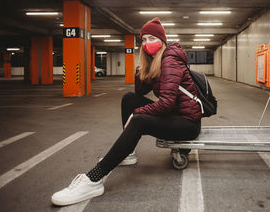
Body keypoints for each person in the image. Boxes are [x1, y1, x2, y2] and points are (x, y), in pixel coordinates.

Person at [51, 17, 202, 206]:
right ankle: (127, 153)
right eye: (144, 40)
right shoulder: (157, 61)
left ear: (163, 41)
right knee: (129, 98)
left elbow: (166, 104)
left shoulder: (170, 60)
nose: (148, 44)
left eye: (152, 39)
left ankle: (93, 180)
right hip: (175, 116)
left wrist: (137, 113)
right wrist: (141, 71)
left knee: (138, 119)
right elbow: (140, 92)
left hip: (188, 124)